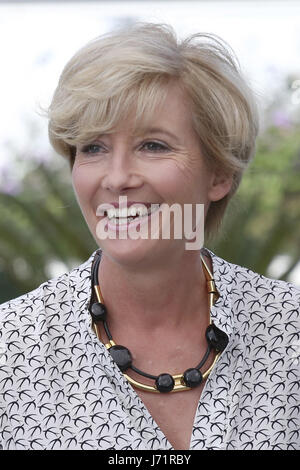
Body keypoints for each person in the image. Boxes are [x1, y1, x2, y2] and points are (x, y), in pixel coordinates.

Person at [0, 22, 299, 451]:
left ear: (220, 174)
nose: (118, 178)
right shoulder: (11, 352)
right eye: (93, 148)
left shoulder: (291, 334)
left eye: (153, 146)